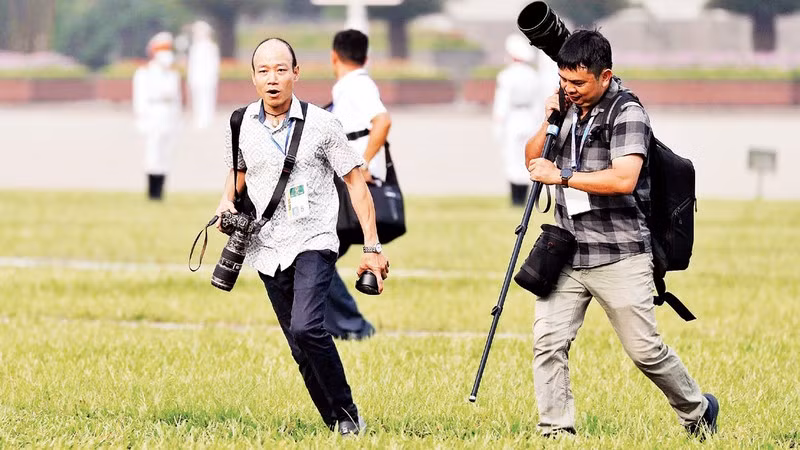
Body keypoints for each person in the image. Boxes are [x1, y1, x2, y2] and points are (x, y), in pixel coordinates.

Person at [524, 30, 719, 438]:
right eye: (563, 81)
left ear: (605, 76)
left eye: (578, 83)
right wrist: (549, 119)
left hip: (619, 252)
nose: (569, 90)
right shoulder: (565, 108)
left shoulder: (627, 112)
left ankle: (698, 409)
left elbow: (624, 178)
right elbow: (531, 158)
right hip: (566, 252)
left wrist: (562, 175)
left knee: (645, 352)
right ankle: (556, 431)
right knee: (548, 343)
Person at [214, 37, 389, 436]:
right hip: (265, 247)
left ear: (296, 73)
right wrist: (225, 202)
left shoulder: (323, 125)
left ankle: (347, 414)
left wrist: (372, 248)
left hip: (314, 238)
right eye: (263, 71)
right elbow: (238, 175)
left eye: (280, 70)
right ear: (253, 77)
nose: (272, 78)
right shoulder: (239, 123)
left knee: (307, 328)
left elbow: (355, 182)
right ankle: (337, 422)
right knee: (298, 346)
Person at [325, 29, 392, 340]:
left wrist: (362, 162)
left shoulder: (357, 84)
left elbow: (383, 120)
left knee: (315, 256)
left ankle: (353, 326)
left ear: (334, 56)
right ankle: (335, 323)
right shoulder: (349, 86)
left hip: (353, 185)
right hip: (349, 183)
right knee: (318, 258)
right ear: (366, 57)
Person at [493, 34, 545, 206]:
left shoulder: (507, 75)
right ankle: (524, 199)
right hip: (530, 119)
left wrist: (498, 126)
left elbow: (502, 104)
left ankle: (516, 200)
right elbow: (539, 102)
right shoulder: (533, 75)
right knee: (527, 159)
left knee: (512, 158)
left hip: (513, 119)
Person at [132, 31, 182, 201]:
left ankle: (160, 192)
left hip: (168, 115)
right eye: (162, 49)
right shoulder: (145, 72)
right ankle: (152, 193)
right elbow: (139, 98)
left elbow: (177, 99)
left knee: (166, 154)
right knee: (153, 154)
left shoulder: (172, 73)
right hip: (153, 114)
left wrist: (178, 119)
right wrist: (141, 119)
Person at [187, 20, 220, 129]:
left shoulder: (211, 47)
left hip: (207, 77)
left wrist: (213, 77)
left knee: (207, 98)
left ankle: (207, 119)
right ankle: (198, 118)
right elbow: (192, 65)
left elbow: (214, 64)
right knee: (197, 98)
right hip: (197, 77)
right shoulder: (194, 47)